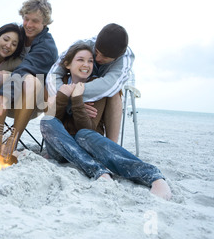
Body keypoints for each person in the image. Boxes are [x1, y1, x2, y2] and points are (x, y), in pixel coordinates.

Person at [40, 43, 172, 200]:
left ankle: (154, 176)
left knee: (84, 134)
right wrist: (62, 97)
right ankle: (99, 170)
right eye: (80, 60)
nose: (86, 64)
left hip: (85, 145)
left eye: (90, 61)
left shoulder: (98, 86)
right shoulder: (58, 83)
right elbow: (56, 121)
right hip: (61, 148)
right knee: (47, 121)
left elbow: (87, 127)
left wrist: (76, 101)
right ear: (68, 64)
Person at [46, 23, 134, 143]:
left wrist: (76, 101)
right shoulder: (84, 44)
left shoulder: (125, 58)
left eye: (104, 57)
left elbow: (109, 86)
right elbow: (53, 75)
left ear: (116, 57)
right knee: (52, 85)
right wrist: (70, 101)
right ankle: (53, 141)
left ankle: (111, 146)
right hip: (75, 93)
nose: (98, 59)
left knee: (115, 92)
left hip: (101, 100)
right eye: (96, 52)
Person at [0, 0, 58, 145]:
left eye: (35, 21)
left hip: (32, 103)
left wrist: (4, 95)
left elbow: (23, 71)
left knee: (30, 80)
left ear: (45, 22)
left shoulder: (47, 47)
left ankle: (11, 143)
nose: (28, 25)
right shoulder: (17, 34)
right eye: (26, 19)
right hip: (5, 97)